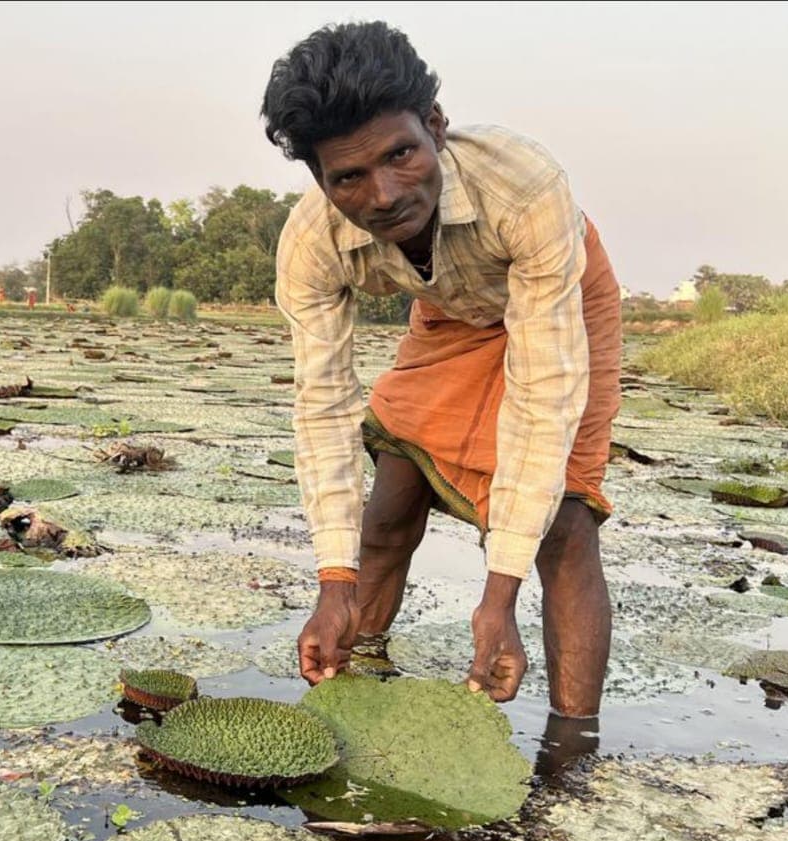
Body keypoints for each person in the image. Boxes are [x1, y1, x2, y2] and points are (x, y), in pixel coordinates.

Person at [263, 22, 622, 719]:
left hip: (558, 297)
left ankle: (574, 745)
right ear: (320, 179)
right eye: (349, 177)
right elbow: (324, 408)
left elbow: (542, 396)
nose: (386, 194)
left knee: (565, 521)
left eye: (402, 154)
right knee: (394, 491)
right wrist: (333, 581)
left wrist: (499, 591)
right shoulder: (312, 243)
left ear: (435, 126)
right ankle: (354, 675)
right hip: (450, 309)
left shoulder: (523, 188)